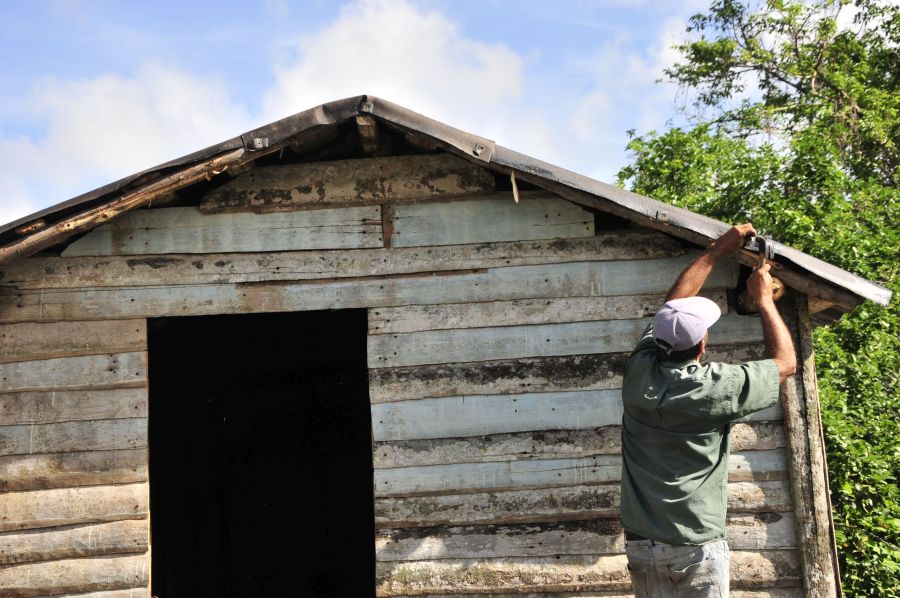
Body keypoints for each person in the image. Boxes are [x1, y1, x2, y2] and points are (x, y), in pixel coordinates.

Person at [620, 223, 797, 597]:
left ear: (660, 337)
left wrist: (715, 250)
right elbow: (785, 363)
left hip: (642, 546)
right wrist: (764, 299)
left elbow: (672, 310)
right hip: (696, 546)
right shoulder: (717, 387)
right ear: (703, 345)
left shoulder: (639, 372)